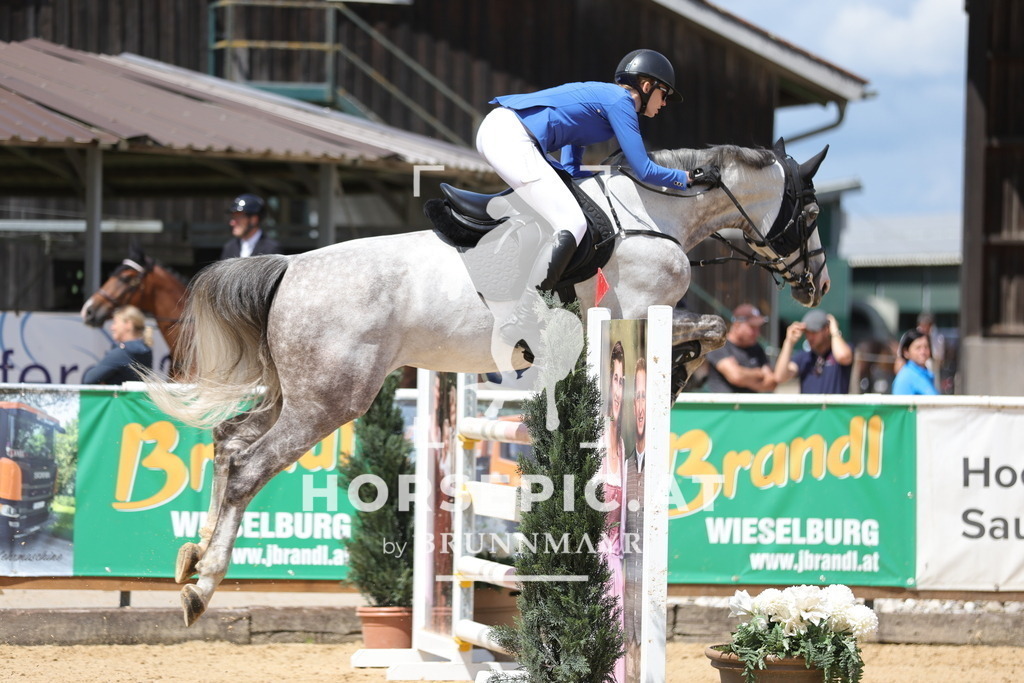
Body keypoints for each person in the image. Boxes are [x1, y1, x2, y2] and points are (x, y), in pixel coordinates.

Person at [477, 49, 711, 345]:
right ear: (647, 86)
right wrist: (688, 178)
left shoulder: (607, 101)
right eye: (664, 94)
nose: (664, 103)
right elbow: (644, 169)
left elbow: (572, 167)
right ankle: (524, 315)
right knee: (573, 223)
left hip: (505, 133)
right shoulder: (621, 102)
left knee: (568, 209)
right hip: (511, 136)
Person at [599, 340, 626, 682]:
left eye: (622, 381)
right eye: (613, 380)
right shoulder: (590, 439)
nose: (617, 390)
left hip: (620, 562)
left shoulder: (625, 443)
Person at [622, 355, 647, 681]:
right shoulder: (622, 449)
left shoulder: (651, 449)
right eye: (636, 397)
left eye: (644, 396)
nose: (640, 406)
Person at [774, 309, 853, 394]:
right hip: (809, 407)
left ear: (826, 330)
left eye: (814, 332)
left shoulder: (840, 350)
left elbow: (843, 357)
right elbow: (780, 377)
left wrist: (834, 331)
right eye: (807, 332)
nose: (810, 337)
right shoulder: (804, 357)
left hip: (835, 407)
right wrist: (789, 342)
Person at [704, 304, 777, 393]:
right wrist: (760, 373)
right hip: (724, 405)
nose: (757, 333)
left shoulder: (757, 348)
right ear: (737, 325)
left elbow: (771, 383)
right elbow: (736, 376)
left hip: (750, 405)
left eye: (758, 328)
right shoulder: (719, 345)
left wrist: (744, 376)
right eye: (752, 327)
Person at [82, 305, 154, 384]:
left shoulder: (123, 352)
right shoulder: (146, 350)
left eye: (115, 323)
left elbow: (89, 379)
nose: (112, 327)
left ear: (128, 325)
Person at [220, 193, 281, 260]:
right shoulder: (229, 248)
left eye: (238, 218)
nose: (232, 223)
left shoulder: (271, 249)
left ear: (254, 219)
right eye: (233, 217)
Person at [892, 329, 939, 395]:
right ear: (906, 352)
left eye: (926, 347)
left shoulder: (926, 373)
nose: (923, 352)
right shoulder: (906, 377)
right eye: (918, 348)